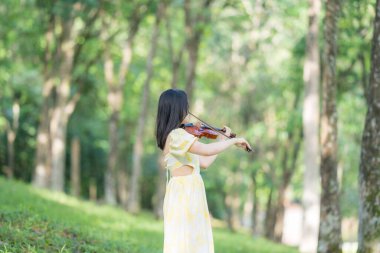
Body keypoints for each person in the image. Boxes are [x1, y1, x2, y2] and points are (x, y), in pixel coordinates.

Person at [155, 88, 252, 253]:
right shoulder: (177, 135)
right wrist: (233, 141)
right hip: (185, 193)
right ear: (177, 109)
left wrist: (222, 138)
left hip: (189, 190)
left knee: (192, 241)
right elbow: (207, 150)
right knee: (187, 242)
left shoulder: (177, 136)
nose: (188, 111)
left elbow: (205, 162)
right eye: (186, 107)